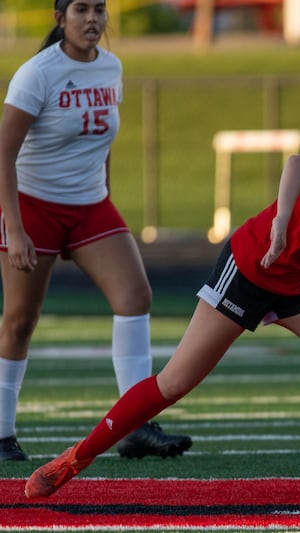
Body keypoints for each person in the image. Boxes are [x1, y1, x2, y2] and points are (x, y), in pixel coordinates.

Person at [24, 132, 300, 500]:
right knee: (175, 383)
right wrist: (281, 221)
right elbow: (299, 162)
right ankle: (75, 458)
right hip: (249, 270)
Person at [0, 0, 192, 462]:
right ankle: (2, 433)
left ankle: (134, 424)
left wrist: (104, 192)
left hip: (90, 206)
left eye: (100, 10)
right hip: (33, 205)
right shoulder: (37, 73)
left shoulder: (111, 66)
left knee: (135, 296)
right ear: (59, 18)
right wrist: (16, 230)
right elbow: (3, 154)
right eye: (81, 9)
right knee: (21, 319)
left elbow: (101, 138)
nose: (92, 19)